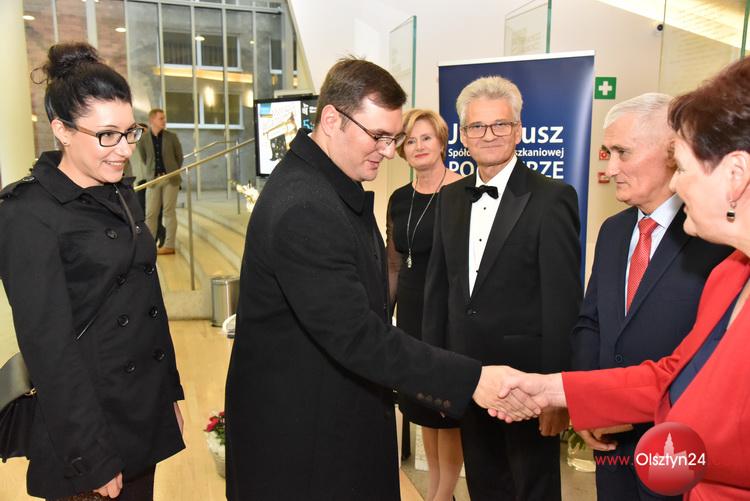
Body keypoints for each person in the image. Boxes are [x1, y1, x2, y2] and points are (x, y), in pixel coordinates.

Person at [224, 57, 535, 501]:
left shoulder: (329, 183)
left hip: (328, 426)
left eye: (394, 138)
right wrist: (473, 380)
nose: (389, 152)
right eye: (379, 137)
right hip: (304, 447)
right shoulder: (304, 206)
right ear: (331, 120)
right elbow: (357, 335)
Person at [496, 56, 750, 499]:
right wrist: (555, 390)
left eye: (683, 167)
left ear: (735, 176)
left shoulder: (723, 260)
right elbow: (670, 375)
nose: (677, 184)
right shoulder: (732, 276)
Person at [0, 43, 184, 500]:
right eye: (106, 135)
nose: (123, 150)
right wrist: (91, 454)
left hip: (140, 408)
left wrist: (168, 395)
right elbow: (50, 350)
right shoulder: (27, 213)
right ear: (61, 130)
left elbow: (147, 300)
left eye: (129, 132)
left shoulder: (119, 191)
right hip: (86, 428)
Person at [422, 75, 582, 501]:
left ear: (519, 130)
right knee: (484, 486)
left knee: (532, 490)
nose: (488, 135)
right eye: (477, 126)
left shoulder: (553, 198)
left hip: (528, 387)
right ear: (462, 136)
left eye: (500, 124)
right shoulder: (449, 198)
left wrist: (557, 396)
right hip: (469, 378)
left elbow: (563, 306)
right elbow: (439, 293)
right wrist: (440, 376)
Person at [572, 93, 732, 501]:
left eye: (622, 152)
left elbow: (712, 352)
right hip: (610, 439)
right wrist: (590, 403)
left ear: (671, 152)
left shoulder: (717, 239)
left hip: (678, 439)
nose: (610, 168)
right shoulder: (612, 230)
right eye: (607, 153)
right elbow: (591, 321)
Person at [386, 108, 463, 501]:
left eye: (426, 138)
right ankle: (436, 489)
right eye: (410, 140)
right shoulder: (400, 198)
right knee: (423, 411)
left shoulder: (465, 192)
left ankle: (441, 495)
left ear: (442, 141)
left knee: (447, 413)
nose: (418, 146)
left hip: (449, 317)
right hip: (412, 317)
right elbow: (394, 264)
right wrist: (383, 314)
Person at [136, 108, 183, 255]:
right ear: (152, 120)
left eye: (164, 118)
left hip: (170, 179)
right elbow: (145, 158)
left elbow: (179, 157)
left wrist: (171, 171)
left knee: (169, 212)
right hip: (153, 180)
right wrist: (153, 172)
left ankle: (169, 245)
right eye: (161, 118)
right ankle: (149, 246)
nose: (164, 121)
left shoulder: (172, 137)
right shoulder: (144, 139)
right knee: (151, 214)